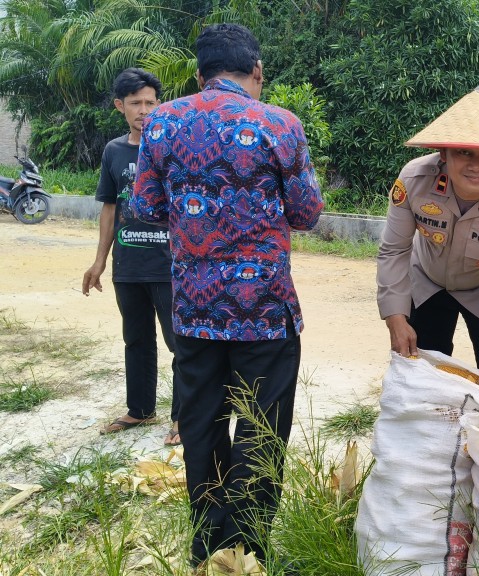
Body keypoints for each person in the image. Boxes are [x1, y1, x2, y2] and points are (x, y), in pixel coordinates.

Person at [132, 23, 323, 567]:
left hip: (193, 310)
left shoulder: (163, 121)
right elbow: (307, 213)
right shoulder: (279, 124)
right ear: (256, 71)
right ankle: (246, 551)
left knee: (201, 425)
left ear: (199, 75)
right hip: (263, 313)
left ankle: (206, 545)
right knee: (261, 428)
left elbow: (144, 206)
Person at [377, 88, 479, 410]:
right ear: (444, 154)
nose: (476, 166)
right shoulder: (413, 181)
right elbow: (394, 251)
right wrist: (395, 317)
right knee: (423, 380)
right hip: (427, 282)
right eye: (464, 152)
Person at [81, 68, 182, 447]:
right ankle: (140, 409)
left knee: (180, 344)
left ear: (160, 105)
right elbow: (109, 209)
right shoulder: (113, 151)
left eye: (150, 102)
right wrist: (99, 261)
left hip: (169, 265)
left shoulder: (173, 147)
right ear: (119, 106)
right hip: (129, 265)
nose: (144, 109)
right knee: (136, 340)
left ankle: (183, 418)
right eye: (136, 103)